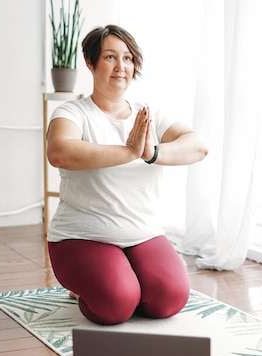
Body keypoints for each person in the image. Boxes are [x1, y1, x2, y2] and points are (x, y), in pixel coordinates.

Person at [46, 24, 209, 325]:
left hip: (142, 233)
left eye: (128, 58)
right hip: (82, 235)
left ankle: (125, 277)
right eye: (110, 57)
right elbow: (59, 152)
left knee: (170, 298)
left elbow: (198, 147)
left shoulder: (150, 115)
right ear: (90, 63)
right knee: (116, 305)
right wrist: (129, 151)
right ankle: (85, 290)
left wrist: (152, 153)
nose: (121, 67)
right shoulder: (72, 113)